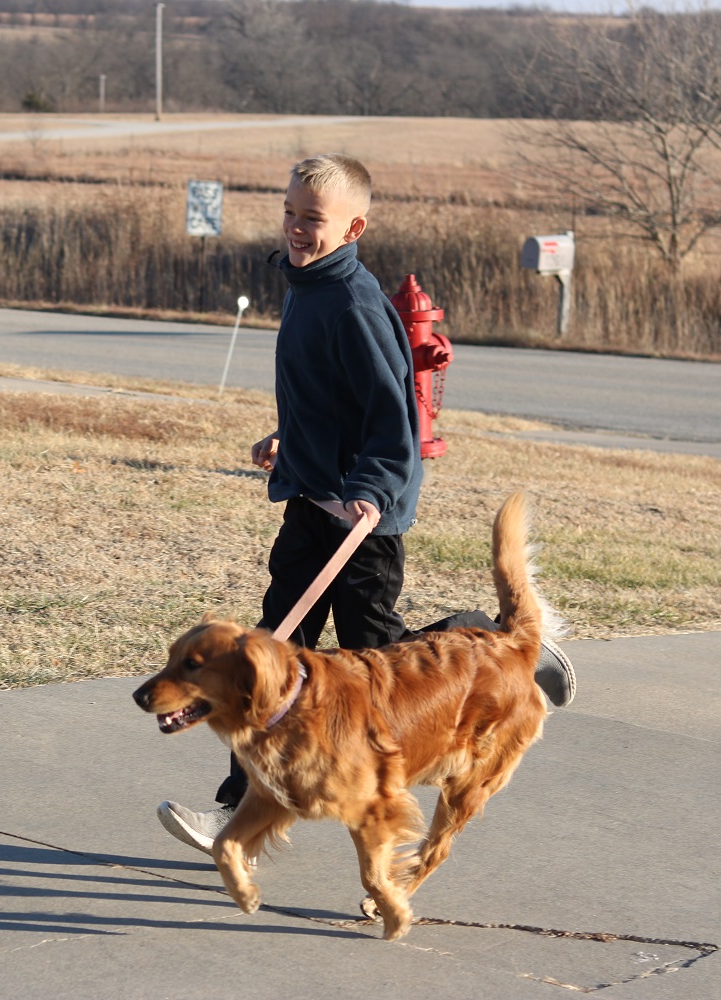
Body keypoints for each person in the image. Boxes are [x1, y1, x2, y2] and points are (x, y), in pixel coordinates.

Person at [156, 153, 576, 855]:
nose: (295, 228)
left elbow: (393, 419)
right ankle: (236, 810)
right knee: (269, 655)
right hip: (309, 501)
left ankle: (497, 645)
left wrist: (373, 493)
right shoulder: (305, 285)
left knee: (377, 662)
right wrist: (289, 438)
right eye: (289, 213)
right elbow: (329, 397)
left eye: (312, 219)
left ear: (354, 227)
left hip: (360, 521)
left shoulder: (351, 303)